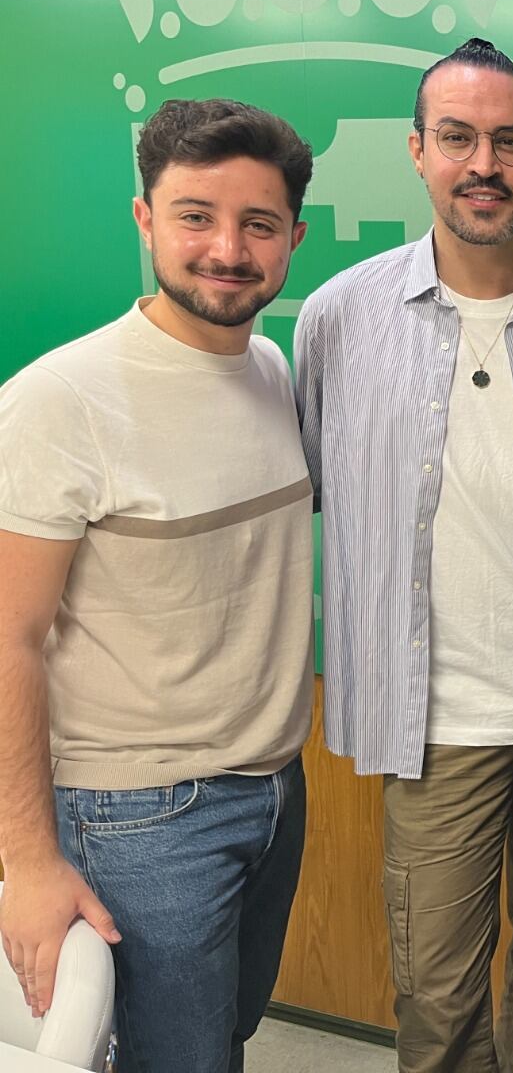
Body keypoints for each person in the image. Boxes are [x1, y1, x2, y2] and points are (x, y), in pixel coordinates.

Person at [294, 37, 513, 1073]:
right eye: (458, 138)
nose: (483, 163)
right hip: (432, 726)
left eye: (508, 141)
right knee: (436, 1001)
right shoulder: (339, 319)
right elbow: (305, 490)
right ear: (417, 151)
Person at [0, 98, 315, 1072]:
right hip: (137, 813)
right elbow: (9, 636)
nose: (227, 247)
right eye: (194, 216)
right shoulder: (59, 401)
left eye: (258, 223)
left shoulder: (268, 366)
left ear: (293, 238)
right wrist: (27, 863)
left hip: (274, 788)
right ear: (144, 218)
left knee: (219, 1040)